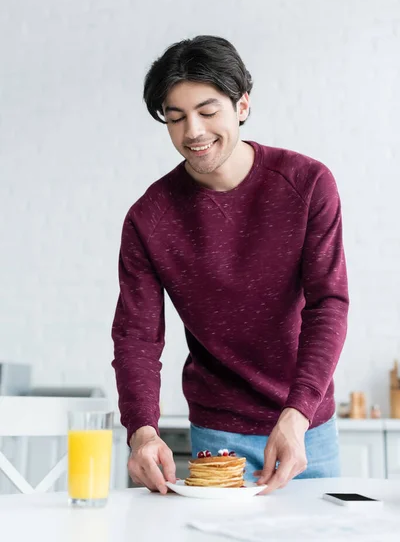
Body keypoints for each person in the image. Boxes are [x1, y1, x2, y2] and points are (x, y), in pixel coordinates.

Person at [111, 35, 349, 496]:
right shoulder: (149, 218)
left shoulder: (308, 184)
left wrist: (297, 415)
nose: (192, 131)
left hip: (307, 430)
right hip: (218, 434)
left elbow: (329, 304)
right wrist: (142, 431)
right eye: (175, 117)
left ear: (242, 105)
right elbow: (137, 335)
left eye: (207, 111)